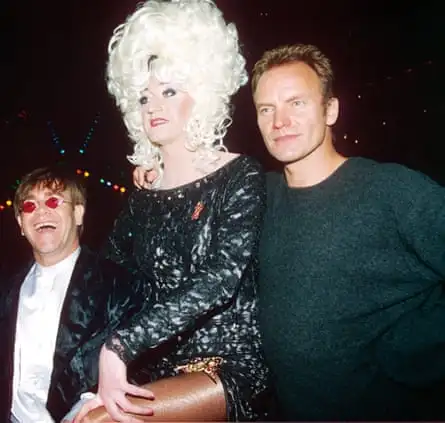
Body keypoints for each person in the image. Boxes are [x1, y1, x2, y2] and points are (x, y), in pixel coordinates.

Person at [73, 0, 269, 421]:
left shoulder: (239, 175)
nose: (153, 106)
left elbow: (220, 279)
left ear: (201, 94)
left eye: (168, 91)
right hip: (155, 367)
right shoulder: (144, 192)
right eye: (143, 97)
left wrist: (120, 345)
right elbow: (108, 276)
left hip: (225, 365)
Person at [252, 43, 445, 420]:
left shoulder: (391, 190)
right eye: (266, 109)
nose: (279, 121)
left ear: (331, 110)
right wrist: (154, 173)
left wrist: (418, 349)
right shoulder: (260, 197)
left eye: (297, 103)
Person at [0, 166, 147, 423]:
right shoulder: (6, 291)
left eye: (54, 201)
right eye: (29, 206)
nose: (41, 211)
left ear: (78, 213)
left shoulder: (119, 285)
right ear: (21, 224)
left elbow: (143, 368)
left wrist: (93, 406)